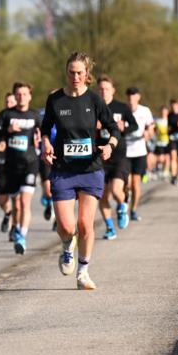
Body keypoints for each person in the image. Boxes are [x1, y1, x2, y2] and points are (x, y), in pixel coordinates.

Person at [40, 51, 121, 290]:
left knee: (85, 225)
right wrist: (45, 142)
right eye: (71, 72)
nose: (75, 76)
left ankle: (83, 272)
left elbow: (113, 128)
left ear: (87, 75)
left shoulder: (95, 101)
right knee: (66, 227)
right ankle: (67, 247)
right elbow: (45, 128)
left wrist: (109, 146)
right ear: (66, 73)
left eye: (79, 73)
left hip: (90, 168)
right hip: (63, 170)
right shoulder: (55, 100)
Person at [0, 82, 43, 254]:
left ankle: (22, 236)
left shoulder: (35, 115)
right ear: (14, 96)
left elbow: (46, 133)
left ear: (30, 96)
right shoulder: (6, 115)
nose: (21, 97)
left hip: (30, 163)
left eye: (24, 94)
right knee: (16, 206)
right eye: (18, 94)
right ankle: (16, 227)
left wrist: (42, 138)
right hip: (11, 165)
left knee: (25, 202)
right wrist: (7, 130)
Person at [95, 76, 137, 239]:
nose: (104, 91)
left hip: (119, 155)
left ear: (113, 90)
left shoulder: (122, 107)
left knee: (116, 190)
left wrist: (123, 127)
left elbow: (134, 125)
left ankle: (122, 205)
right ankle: (109, 227)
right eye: (101, 89)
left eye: (107, 88)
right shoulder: (93, 107)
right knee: (102, 195)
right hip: (100, 156)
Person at [124, 87, 155, 222]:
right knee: (127, 183)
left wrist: (149, 133)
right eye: (129, 96)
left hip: (139, 151)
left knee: (136, 182)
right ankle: (126, 197)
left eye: (133, 96)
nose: (131, 99)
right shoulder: (123, 110)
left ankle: (134, 209)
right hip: (125, 151)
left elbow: (151, 127)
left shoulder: (145, 111)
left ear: (138, 97)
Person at [0, 92, 18, 235]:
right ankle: (8, 213)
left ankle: (15, 228)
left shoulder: (23, 118)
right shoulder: (1, 117)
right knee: (3, 200)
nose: (9, 105)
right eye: (6, 102)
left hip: (18, 165)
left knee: (17, 200)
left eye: (11, 102)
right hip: (2, 163)